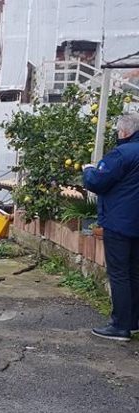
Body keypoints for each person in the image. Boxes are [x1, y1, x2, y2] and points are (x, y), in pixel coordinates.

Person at [83, 113, 139, 342]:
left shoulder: (122, 153)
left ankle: (120, 326)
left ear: (124, 132)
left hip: (120, 223)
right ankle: (133, 321)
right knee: (135, 272)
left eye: (118, 131)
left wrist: (88, 169)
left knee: (119, 273)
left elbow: (97, 182)